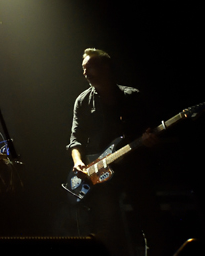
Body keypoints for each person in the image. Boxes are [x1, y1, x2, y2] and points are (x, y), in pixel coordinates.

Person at [67, 48, 162, 256]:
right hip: (102, 174)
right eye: (83, 69)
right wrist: (77, 162)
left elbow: (149, 131)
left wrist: (150, 139)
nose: (85, 72)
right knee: (106, 225)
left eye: (89, 66)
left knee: (150, 221)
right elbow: (75, 141)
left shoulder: (132, 96)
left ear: (105, 66)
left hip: (135, 167)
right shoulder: (82, 102)